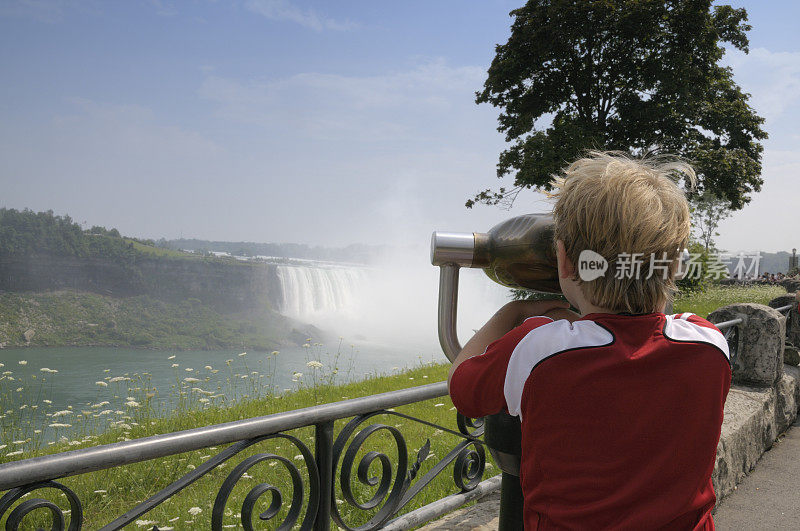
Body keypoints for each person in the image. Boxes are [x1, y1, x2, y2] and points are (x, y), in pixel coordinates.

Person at [448, 151, 731, 530]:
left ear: (564, 261)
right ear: (675, 265)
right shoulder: (709, 344)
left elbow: (462, 387)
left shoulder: (538, 348)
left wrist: (514, 314)